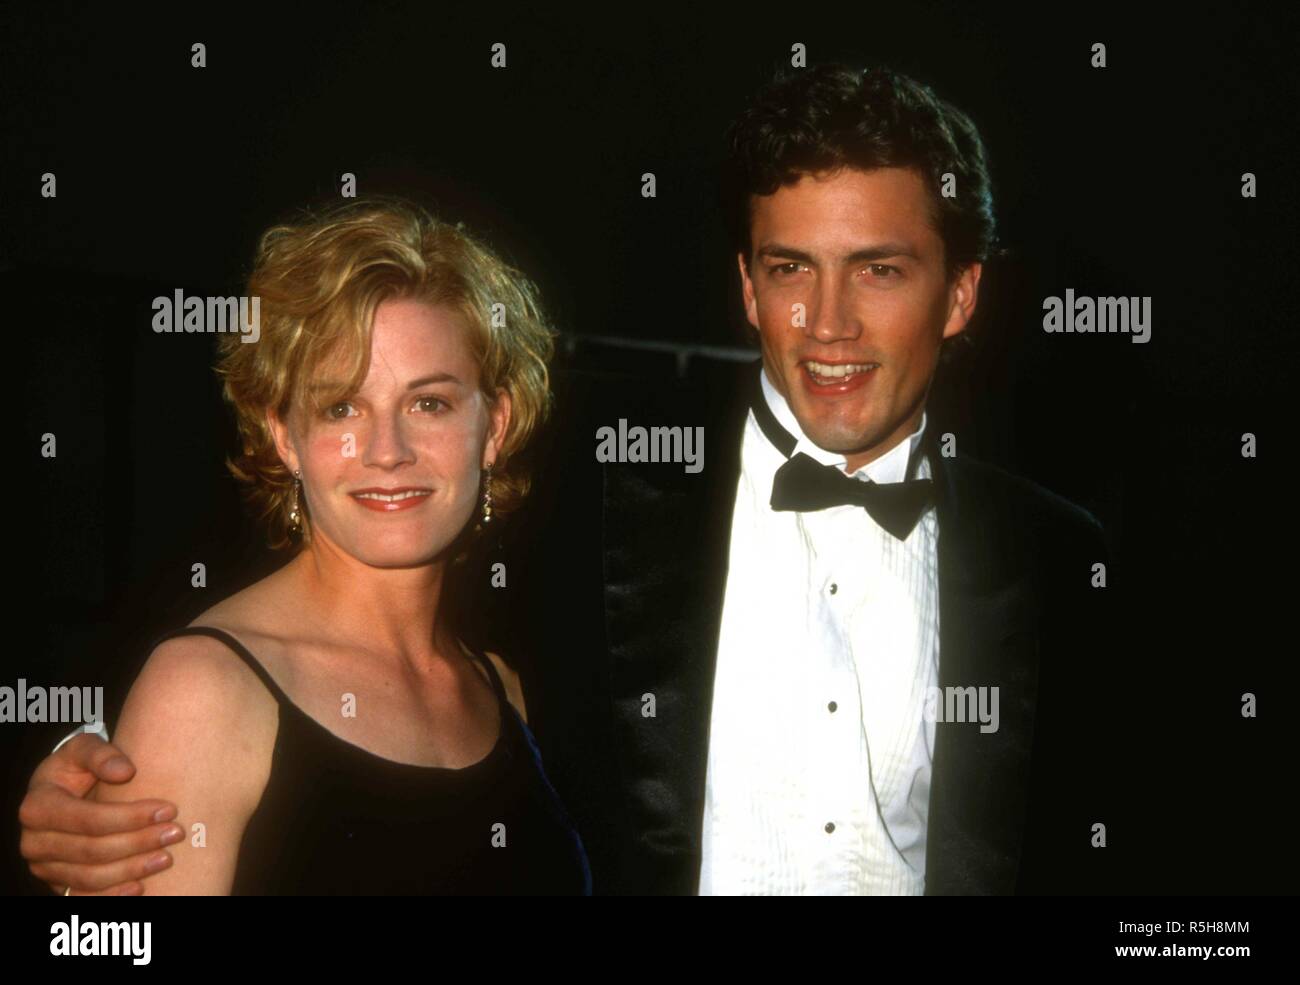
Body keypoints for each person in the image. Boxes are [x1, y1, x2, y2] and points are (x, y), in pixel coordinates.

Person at [21, 65, 1115, 896]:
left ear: (961, 293)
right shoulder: (600, 512)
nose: (826, 324)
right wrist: (76, 778)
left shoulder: (1066, 561)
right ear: (746, 283)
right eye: (790, 268)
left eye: (878, 270)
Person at [20, 197, 591, 895]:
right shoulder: (204, 691)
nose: (387, 451)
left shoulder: (504, 690)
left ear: (494, 426)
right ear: (285, 436)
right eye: (341, 407)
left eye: (429, 402)